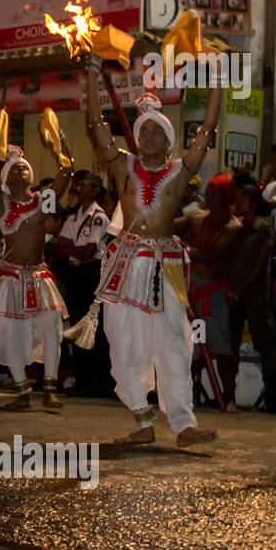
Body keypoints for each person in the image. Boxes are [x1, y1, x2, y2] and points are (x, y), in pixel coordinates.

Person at [73, 67, 221, 448]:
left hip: (164, 265)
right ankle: (142, 420)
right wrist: (90, 75)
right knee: (123, 342)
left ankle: (184, 426)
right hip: (126, 263)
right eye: (142, 131)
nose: (148, 135)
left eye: (155, 131)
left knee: (173, 341)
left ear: (169, 140)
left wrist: (219, 82)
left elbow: (205, 133)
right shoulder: (123, 167)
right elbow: (94, 123)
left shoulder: (178, 171)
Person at [0, 138, 72, 409]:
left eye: (24, 167)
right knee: (9, 333)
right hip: (10, 279)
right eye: (15, 169)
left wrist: (59, 143)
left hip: (39, 277)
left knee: (52, 328)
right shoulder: (2, 203)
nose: (21, 170)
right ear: (8, 178)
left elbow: (67, 172)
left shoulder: (43, 200)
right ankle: (22, 390)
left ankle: (49, 388)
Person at [179, 173, 243, 412]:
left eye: (216, 194)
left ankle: (229, 397)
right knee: (192, 346)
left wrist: (186, 248)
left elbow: (213, 254)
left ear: (226, 198)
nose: (210, 197)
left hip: (212, 292)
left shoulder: (233, 227)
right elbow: (166, 226)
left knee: (221, 346)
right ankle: (188, 394)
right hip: (191, 288)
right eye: (210, 192)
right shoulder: (196, 217)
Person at [53, 171, 110, 397]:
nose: (78, 188)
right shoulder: (74, 216)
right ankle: (83, 379)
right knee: (77, 326)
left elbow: (88, 252)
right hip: (75, 275)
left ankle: (97, 382)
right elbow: (60, 247)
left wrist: (71, 251)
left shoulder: (98, 217)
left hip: (90, 275)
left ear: (95, 190)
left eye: (84, 185)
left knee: (93, 329)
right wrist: (71, 251)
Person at [228, 184, 276, 411]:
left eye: (242, 199)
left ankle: (272, 398)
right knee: (231, 344)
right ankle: (227, 394)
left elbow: (260, 266)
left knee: (266, 345)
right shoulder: (236, 228)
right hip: (235, 293)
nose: (237, 203)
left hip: (254, 295)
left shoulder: (262, 230)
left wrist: (238, 289)